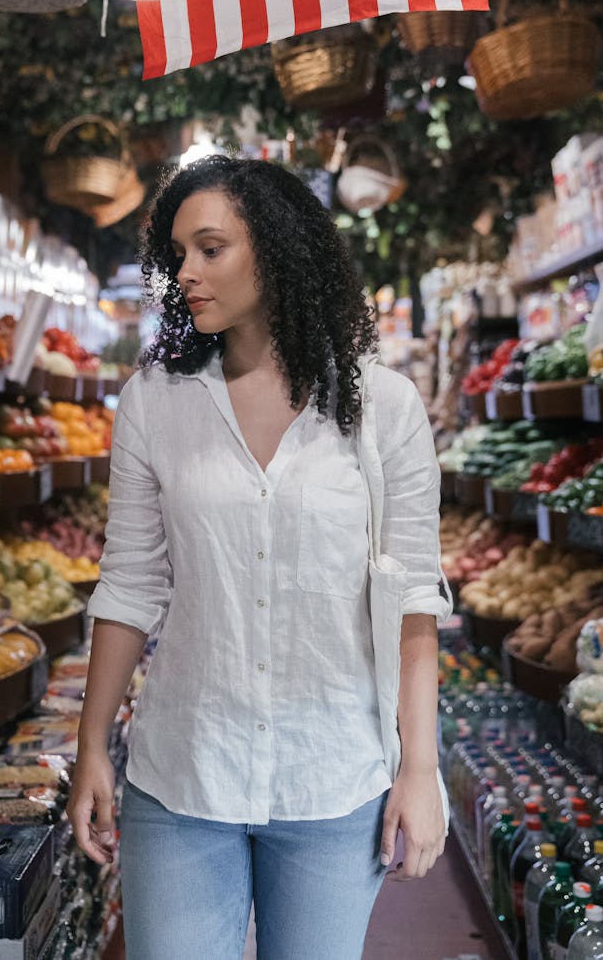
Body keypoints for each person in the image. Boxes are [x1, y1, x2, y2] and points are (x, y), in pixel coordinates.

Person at [69, 155, 453, 960]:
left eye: (211, 249)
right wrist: (91, 744)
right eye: (177, 255)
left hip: (333, 778)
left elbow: (413, 597)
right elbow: (131, 582)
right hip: (182, 773)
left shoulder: (383, 408)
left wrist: (421, 767)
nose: (188, 274)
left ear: (275, 249)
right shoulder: (156, 402)